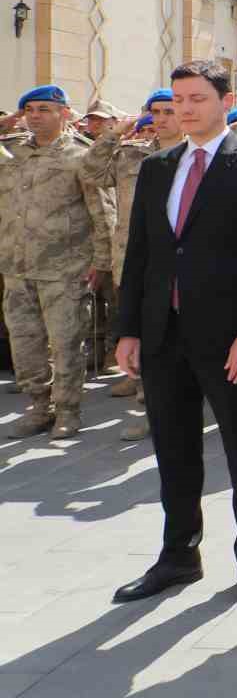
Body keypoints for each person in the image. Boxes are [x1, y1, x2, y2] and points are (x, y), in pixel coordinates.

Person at [111, 60, 237, 607]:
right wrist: (129, 329)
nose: (185, 109)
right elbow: (141, 253)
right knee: (173, 449)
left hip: (229, 338)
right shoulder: (158, 166)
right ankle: (179, 555)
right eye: (177, 100)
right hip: (163, 335)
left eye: (197, 99)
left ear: (225, 102)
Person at [0, 85, 115, 438]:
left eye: (44, 109)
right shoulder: (13, 151)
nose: (35, 116)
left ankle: (67, 409)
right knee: (25, 343)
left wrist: (101, 261)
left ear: (64, 113)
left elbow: (101, 211)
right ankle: (39, 406)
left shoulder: (81, 155)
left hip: (65, 268)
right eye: (29, 109)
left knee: (66, 344)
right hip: (17, 267)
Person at [82, 89, 184, 441]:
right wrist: (114, 133)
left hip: (185, 270)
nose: (162, 118)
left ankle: (185, 408)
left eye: (169, 110)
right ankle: (152, 411)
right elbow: (90, 172)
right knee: (147, 342)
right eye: (156, 111)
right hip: (134, 264)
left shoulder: (200, 158)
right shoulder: (131, 155)